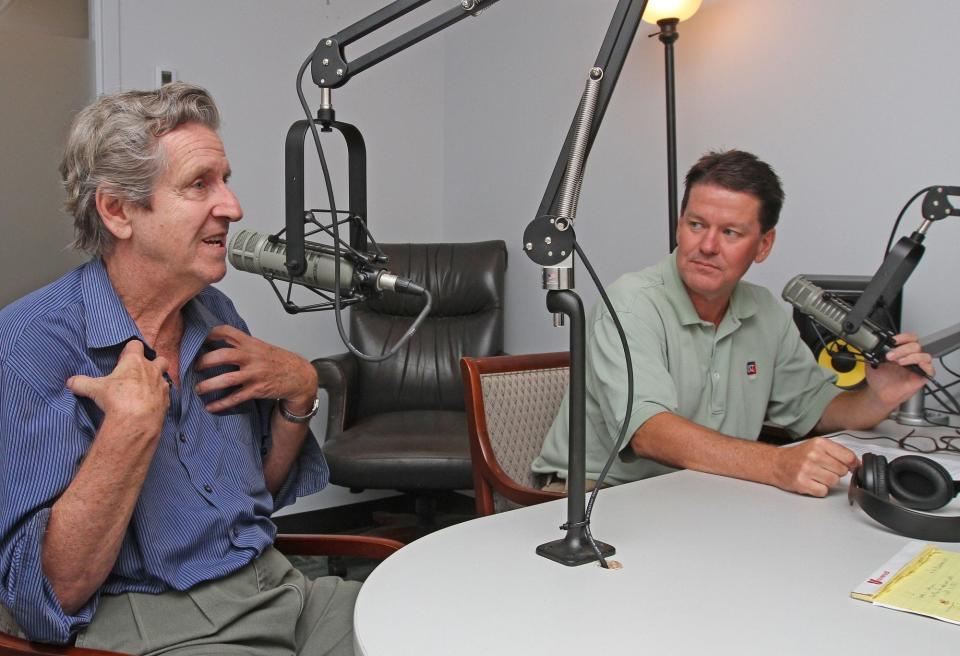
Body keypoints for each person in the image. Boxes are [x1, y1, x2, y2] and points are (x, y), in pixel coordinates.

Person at [0, 83, 357, 654]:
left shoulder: (213, 314)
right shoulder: (23, 346)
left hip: (281, 589)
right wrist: (127, 432)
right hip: (163, 626)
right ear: (118, 211)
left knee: (428, 624)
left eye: (226, 179)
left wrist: (299, 396)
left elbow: (251, 495)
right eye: (199, 184)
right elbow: (49, 594)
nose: (233, 207)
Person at [532, 149, 933, 497]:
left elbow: (817, 409)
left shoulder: (764, 311)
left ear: (764, 245)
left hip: (702, 491)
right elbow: (649, 432)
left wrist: (878, 397)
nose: (707, 246)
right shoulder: (631, 303)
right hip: (593, 496)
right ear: (679, 225)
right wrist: (776, 465)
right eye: (696, 225)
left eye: (730, 232)